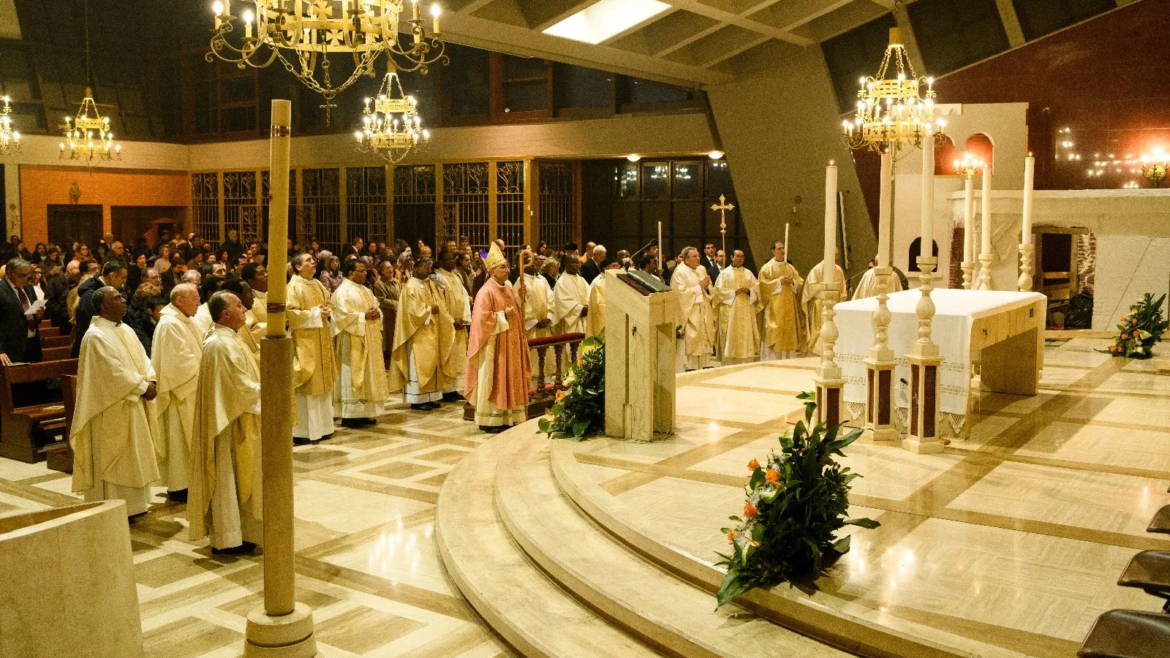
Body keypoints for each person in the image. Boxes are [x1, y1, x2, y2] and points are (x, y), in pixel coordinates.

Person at [69, 286, 159, 519]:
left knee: (133, 456)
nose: (124, 299)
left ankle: (135, 505)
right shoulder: (95, 335)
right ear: (104, 305)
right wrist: (142, 387)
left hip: (131, 402)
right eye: (117, 297)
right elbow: (111, 374)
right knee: (115, 456)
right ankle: (113, 506)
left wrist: (151, 378)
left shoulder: (126, 329)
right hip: (111, 407)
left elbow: (143, 357)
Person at [187, 291, 263, 555]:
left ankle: (241, 532)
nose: (245, 309)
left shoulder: (228, 339)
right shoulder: (221, 344)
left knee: (241, 479)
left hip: (237, 417)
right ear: (225, 314)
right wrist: (268, 391)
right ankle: (230, 536)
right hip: (229, 424)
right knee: (228, 477)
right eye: (239, 306)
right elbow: (237, 388)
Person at [467, 242, 531, 432]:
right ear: (492, 271)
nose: (507, 269)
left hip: (510, 343)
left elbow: (516, 313)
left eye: (507, 265)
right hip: (494, 347)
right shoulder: (486, 291)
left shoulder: (508, 288)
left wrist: (520, 298)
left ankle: (509, 416)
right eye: (502, 266)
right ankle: (491, 419)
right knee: (494, 379)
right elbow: (481, 320)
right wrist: (503, 315)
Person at [150, 284, 203, 503]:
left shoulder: (185, 320)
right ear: (180, 300)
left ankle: (191, 482)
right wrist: (205, 369)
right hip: (181, 391)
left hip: (192, 388)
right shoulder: (170, 323)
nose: (199, 303)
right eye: (195, 298)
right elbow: (178, 363)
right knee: (179, 440)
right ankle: (180, 486)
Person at [389, 258, 454, 411]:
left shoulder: (430, 284)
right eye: (424, 267)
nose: (427, 270)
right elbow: (412, 312)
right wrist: (430, 310)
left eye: (430, 267)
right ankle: (417, 399)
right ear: (416, 267)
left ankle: (431, 396)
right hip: (418, 332)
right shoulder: (410, 287)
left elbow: (443, 300)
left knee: (432, 362)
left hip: (433, 329)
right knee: (419, 363)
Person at [288, 253, 338, 443]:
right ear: (298, 266)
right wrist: (317, 313)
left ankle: (324, 427)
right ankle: (305, 432)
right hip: (305, 342)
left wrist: (327, 311)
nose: (313, 262)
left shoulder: (317, 284)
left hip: (322, 339)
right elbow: (290, 314)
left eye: (313, 260)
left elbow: (329, 303)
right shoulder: (293, 286)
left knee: (323, 385)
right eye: (308, 260)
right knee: (307, 384)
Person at [331, 259, 389, 426]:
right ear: (351, 273)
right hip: (352, 340)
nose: (365, 274)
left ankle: (364, 412)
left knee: (368, 374)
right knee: (352, 372)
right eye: (361, 271)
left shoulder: (365, 290)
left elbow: (376, 307)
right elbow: (342, 316)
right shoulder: (343, 292)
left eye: (365, 271)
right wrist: (364, 316)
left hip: (368, 337)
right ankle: (350, 415)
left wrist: (377, 313)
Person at [757, 241, 805, 360]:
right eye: (779, 248)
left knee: (789, 334)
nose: (782, 251)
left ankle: (788, 360)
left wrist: (792, 282)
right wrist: (779, 282)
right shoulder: (767, 268)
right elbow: (762, 286)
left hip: (789, 307)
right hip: (775, 307)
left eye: (783, 248)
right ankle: (772, 360)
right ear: (773, 251)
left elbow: (800, 281)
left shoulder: (789, 267)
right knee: (775, 334)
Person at [435, 247, 471, 402]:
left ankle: (453, 389)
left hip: (459, 322)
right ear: (441, 261)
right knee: (447, 356)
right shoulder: (437, 278)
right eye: (449, 259)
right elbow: (439, 303)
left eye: (453, 259)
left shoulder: (455, 277)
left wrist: (464, 318)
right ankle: (444, 390)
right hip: (447, 325)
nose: (452, 262)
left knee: (457, 357)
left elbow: (463, 298)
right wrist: (451, 320)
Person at [71, 260, 127, 358]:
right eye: (123, 278)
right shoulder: (90, 296)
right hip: (94, 348)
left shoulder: (116, 290)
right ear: (112, 276)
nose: (124, 281)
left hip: (111, 344)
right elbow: (92, 325)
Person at [672, 247, 715, 372]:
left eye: (698, 256)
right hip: (689, 314)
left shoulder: (700, 270)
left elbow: (710, 289)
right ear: (686, 259)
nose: (698, 258)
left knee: (703, 344)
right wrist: (699, 287)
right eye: (694, 256)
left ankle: (702, 369)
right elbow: (679, 294)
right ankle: (688, 371)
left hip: (702, 312)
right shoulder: (679, 272)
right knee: (691, 344)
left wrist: (707, 288)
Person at [714, 250, 760, 365]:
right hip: (730, 310)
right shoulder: (725, 273)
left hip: (745, 309)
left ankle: (746, 361)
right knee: (730, 337)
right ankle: (729, 363)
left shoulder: (748, 273)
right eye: (738, 256)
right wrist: (733, 292)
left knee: (745, 335)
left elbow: (757, 289)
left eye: (742, 257)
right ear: (731, 257)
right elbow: (718, 292)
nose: (740, 259)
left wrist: (749, 291)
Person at [512, 255, 553, 382]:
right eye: (532, 261)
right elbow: (519, 303)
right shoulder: (521, 281)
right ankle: (531, 386)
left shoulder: (542, 280)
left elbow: (551, 298)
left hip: (544, 326)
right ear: (523, 264)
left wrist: (549, 316)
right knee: (532, 359)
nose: (536, 263)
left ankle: (544, 384)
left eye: (537, 261)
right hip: (531, 329)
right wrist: (534, 321)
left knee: (546, 359)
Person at [802, 248, 847, 356]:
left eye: (837, 255)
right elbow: (811, 286)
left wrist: (841, 297)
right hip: (821, 305)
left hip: (836, 305)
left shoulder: (838, 270)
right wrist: (826, 290)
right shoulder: (817, 269)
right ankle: (818, 352)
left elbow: (843, 286)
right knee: (820, 330)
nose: (836, 258)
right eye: (834, 255)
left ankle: (833, 351)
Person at [0, 258, 43, 367]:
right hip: (11, 349)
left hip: (33, 345)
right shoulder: (1, 290)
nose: (25, 279)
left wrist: (38, 315)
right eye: (21, 275)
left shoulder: (28, 288)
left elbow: (30, 316)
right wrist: (0, 350)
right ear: (9, 274)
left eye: (27, 275)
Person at [552, 253, 589, 334]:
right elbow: (562, 302)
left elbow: (589, 295)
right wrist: (581, 309)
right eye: (573, 263)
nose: (576, 265)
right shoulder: (561, 282)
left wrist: (588, 306)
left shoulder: (582, 280)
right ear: (566, 264)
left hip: (585, 320)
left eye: (578, 263)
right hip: (572, 322)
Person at [586, 262, 621, 339]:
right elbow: (599, 307)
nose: (617, 268)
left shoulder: (621, 283)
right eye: (613, 266)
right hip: (607, 322)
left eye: (618, 266)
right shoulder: (599, 284)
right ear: (605, 269)